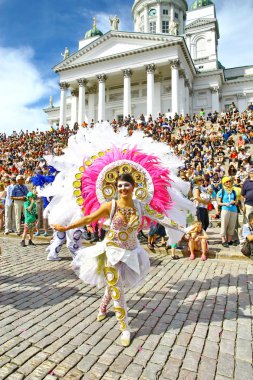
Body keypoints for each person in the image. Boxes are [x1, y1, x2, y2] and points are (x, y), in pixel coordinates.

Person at [217, 177, 238, 247]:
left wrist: (235, 202)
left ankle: (229, 240)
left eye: (229, 181)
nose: (228, 183)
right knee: (224, 224)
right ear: (224, 183)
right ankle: (223, 240)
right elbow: (218, 203)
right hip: (225, 209)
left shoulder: (234, 191)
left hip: (234, 210)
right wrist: (225, 203)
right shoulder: (221, 191)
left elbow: (237, 202)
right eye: (227, 182)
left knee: (232, 225)